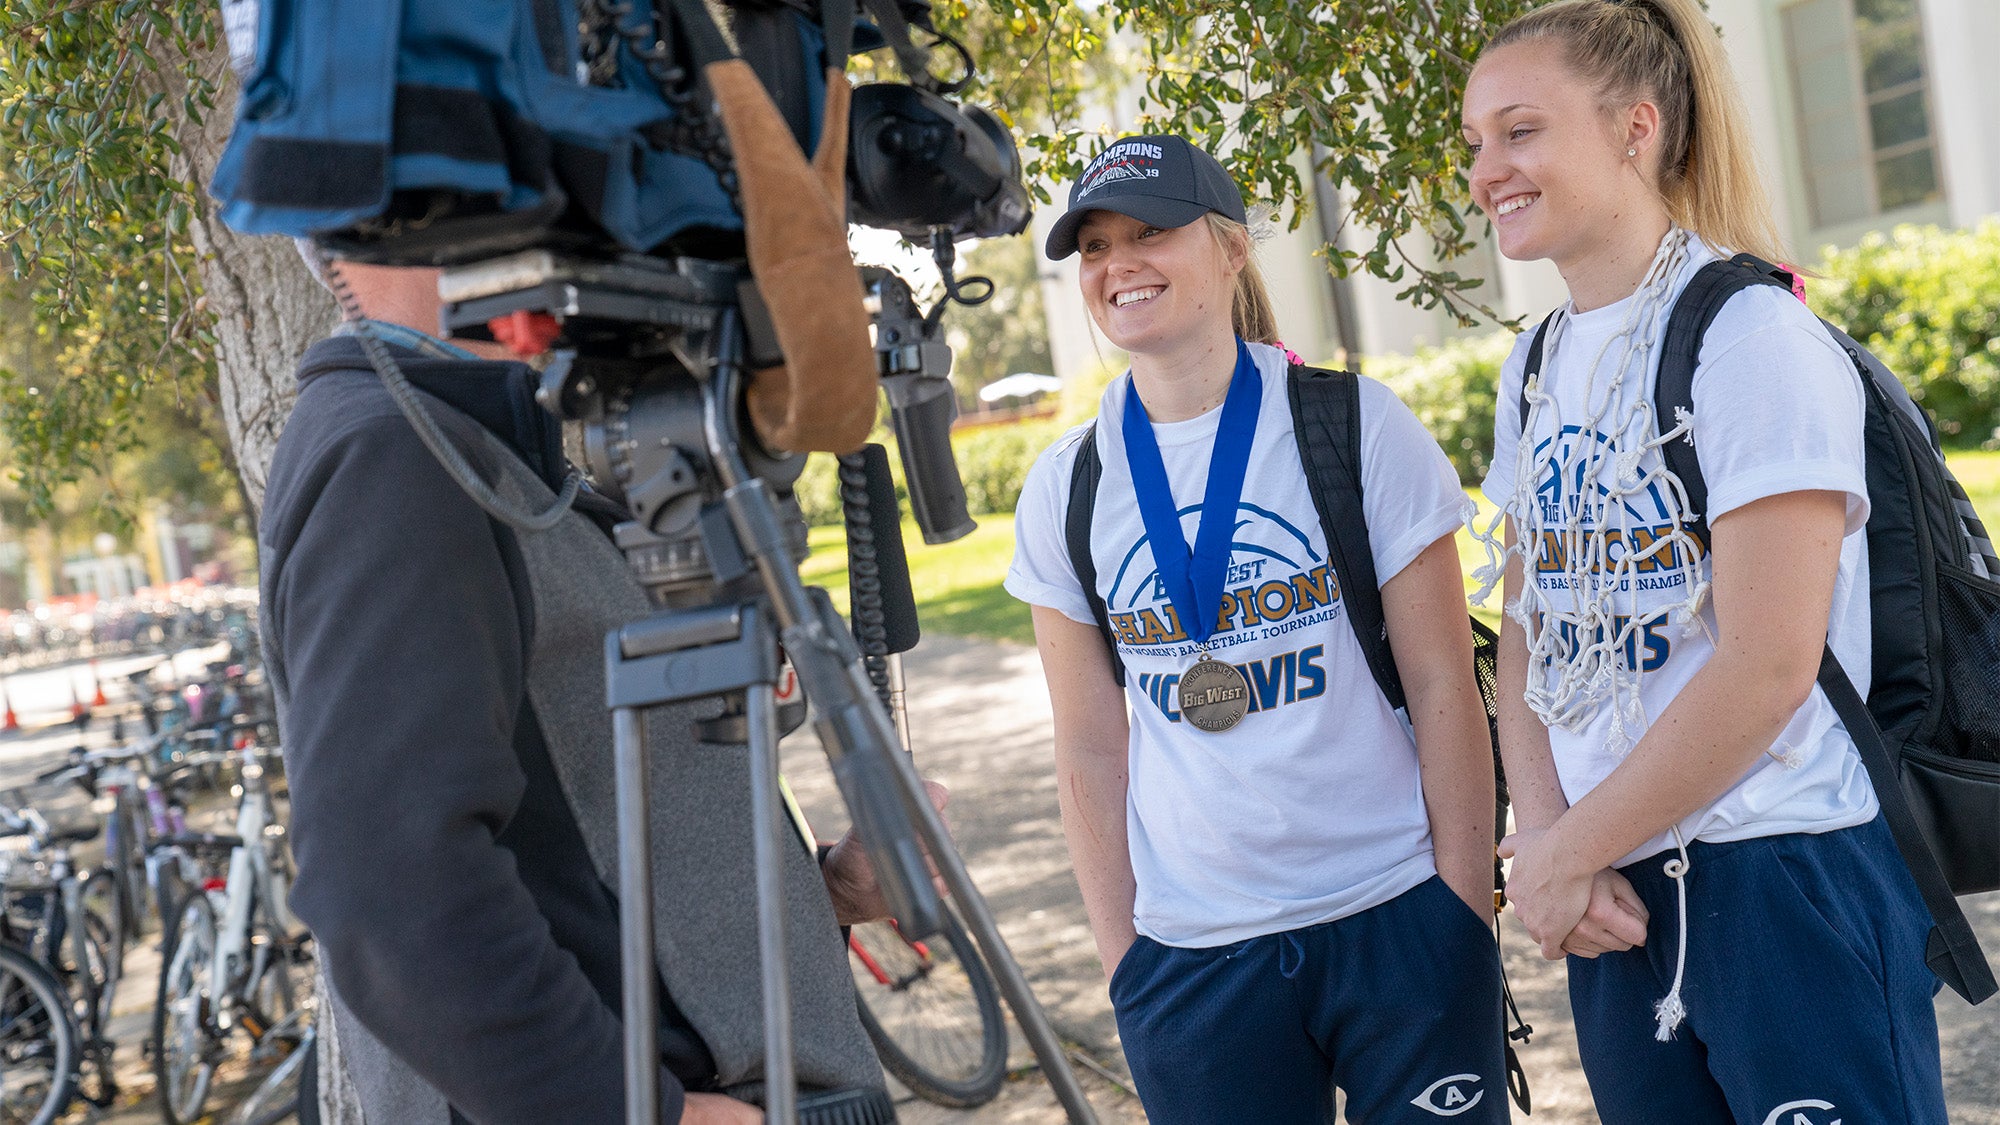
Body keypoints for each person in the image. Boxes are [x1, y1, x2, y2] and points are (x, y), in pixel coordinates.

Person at [260, 252, 929, 1124]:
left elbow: (582, 844)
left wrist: (827, 890)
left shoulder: (488, 451)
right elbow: (390, 890)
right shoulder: (394, 454)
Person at [1460, 1, 1949, 1121]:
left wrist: (1563, 850)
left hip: (1779, 877)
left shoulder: (1750, 339)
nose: (1487, 169)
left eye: (1520, 131)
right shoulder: (1531, 364)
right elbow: (1531, 629)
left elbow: (1766, 667)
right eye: (1474, 142)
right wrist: (1546, 844)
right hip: (1610, 887)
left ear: (1635, 128)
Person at [1004, 135, 1507, 1123]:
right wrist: (1127, 962)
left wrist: (1460, 911)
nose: (1118, 266)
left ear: (1230, 249)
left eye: (1149, 233)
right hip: (1193, 960)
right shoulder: (1066, 486)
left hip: (1395, 917)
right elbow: (1089, 746)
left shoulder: (1355, 424)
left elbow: (1446, 684)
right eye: (1093, 248)